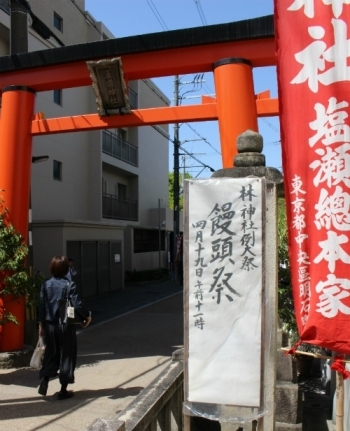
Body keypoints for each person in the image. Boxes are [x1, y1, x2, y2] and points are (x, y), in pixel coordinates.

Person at [37, 256, 92, 400]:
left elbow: (42, 307)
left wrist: (41, 325)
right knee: (67, 354)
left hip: (49, 325)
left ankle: (45, 381)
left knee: (51, 353)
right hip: (65, 325)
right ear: (66, 269)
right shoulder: (69, 285)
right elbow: (77, 304)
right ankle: (63, 390)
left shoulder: (45, 285)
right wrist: (87, 316)